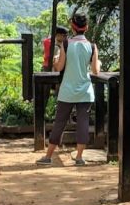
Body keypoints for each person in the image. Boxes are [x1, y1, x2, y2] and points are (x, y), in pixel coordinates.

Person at [37, 13, 100, 166]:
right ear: (86, 28)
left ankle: (48, 156)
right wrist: (99, 62)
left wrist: (56, 60)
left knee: (60, 122)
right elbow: (95, 71)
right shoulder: (92, 46)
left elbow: (59, 67)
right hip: (85, 91)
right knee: (83, 123)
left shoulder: (66, 43)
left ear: (72, 26)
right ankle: (79, 158)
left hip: (67, 90)